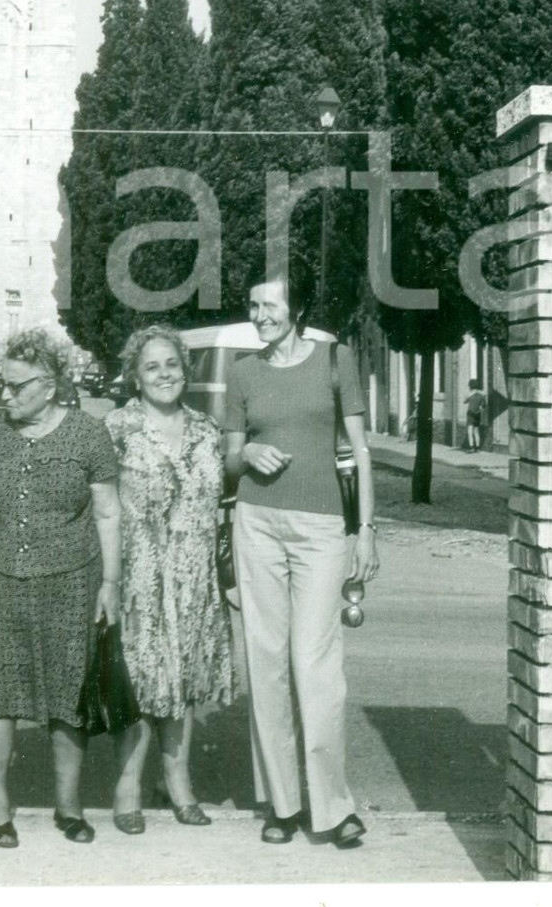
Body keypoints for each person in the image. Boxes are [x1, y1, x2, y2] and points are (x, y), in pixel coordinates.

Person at [0, 327, 121, 849]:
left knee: (68, 692)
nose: (4, 395)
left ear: (50, 385)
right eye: (2, 383)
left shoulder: (89, 433)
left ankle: (69, 804)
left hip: (72, 578)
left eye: (16, 386)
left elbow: (109, 511)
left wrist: (110, 582)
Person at [224, 270, 378, 848]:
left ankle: (333, 809)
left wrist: (365, 530)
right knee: (266, 662)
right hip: (256, 523)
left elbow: (361, 453)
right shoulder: (243, 373)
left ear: (298, 307)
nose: (260, 314)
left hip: (320, 529)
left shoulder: (335, 361)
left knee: (316, 667)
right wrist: (248, 453)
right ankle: (282, 806)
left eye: (270, 304)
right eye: (253, 304)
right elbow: (231, 457)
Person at [105, 325, 233, 835]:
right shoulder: (116, 429)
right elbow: (97, 506)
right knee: (138, 681)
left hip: (193, 576)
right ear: (136, 376)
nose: (164, 375)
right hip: (138, 576)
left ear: (186, 370)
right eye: (152, 366)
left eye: (172, 365)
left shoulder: (207, 430)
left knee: (182, 681)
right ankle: (128, 784)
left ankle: (177, 781)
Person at [464, 378, 486, 451]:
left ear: (470, 386)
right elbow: (483, 406)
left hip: (470, 413)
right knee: (476, 431)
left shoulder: (470, 394)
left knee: (470, 430)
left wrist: (469, 394)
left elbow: (465, 401)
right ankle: (477, 447)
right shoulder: (481, 395)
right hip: (477, 414)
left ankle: (471, 447)